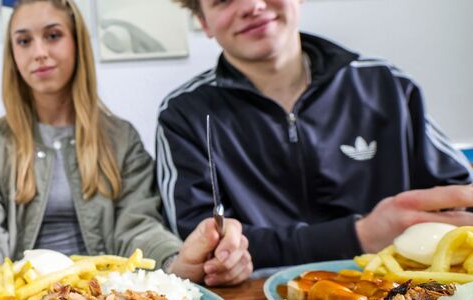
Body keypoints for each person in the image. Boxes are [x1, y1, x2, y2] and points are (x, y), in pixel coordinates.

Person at [0, 0, 253, 298]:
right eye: (24, 41)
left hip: (105, 291)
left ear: (77, 42)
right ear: (12, 55)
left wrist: (177, 259)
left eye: (53, 35)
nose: (40, 52)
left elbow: (139, 227)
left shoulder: (121, 138)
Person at [158, 0, 473, 269]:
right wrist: (359, 235)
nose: (252, 6)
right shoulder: (184, 114)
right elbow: (198, 245)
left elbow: (459, 196)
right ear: (204, 21)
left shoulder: (387, 85)